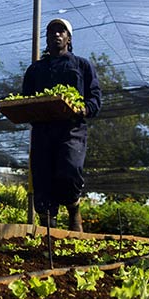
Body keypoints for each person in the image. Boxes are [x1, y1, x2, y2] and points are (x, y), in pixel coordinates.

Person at [22, 18, 102, 232]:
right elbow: (25, 99)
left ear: (69, 38)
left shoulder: (82, 65)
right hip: (42, 130)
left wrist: (83, 109)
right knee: (42, 176)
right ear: (46, 39)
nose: (56, 35)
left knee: (69, 169)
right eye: (51, 32)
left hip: (71, 130)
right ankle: (48, 229)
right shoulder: (35, 70)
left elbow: (94, 98)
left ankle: (74, 208)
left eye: (61, 31)